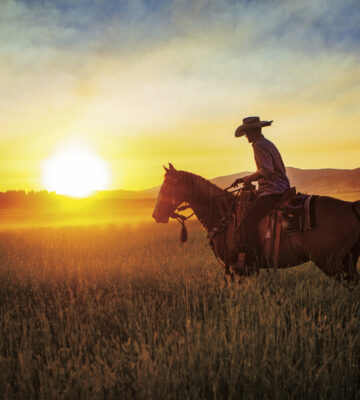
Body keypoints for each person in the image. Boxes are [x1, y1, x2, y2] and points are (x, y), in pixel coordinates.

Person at [231, 116, 290, 271]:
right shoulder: (267, 143)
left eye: (247, 132)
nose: (246, 136)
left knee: (247, 222)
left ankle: (254, 262)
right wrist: (249, 180)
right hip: (279, 187)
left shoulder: (259, 145)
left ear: (255, 131)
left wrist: (246, 179)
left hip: (273, 190)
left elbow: (267, 171)